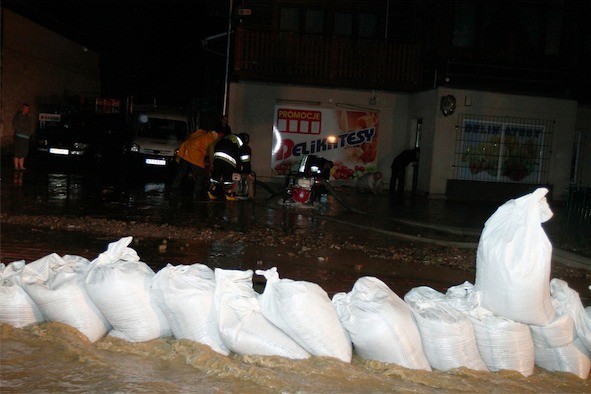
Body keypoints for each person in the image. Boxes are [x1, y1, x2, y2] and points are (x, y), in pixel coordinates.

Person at [171, 115, 221, 200]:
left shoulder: (201, 133)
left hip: (186, 152)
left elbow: (189, 137)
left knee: (181, 173)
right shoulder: (212, 139)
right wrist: (212, 163)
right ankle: (196, 195)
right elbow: (211, 151)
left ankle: (173, 191)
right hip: (195, 155)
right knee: (200, 176)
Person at [208, 133, 249, 200]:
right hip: (227, 156)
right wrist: (247, 171)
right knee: (228, 175)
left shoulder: (229, 137)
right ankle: (228, 194)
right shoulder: (241, 142)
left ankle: (211, 192)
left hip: (217, 154)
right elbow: (245, 158)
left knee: (216, 175)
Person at [13, 103, 33, 171]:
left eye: (28, 109)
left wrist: (29, 133)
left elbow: (29, 126)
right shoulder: (18, 116)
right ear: (22, 108)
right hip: (19, 136)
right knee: (18, 151)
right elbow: (15, 125)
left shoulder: (27, 117)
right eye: (26, 108)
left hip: (26, 137)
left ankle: (21, 166)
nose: (27, 110)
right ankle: (16, 166)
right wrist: (20, 131)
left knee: (23, 152)